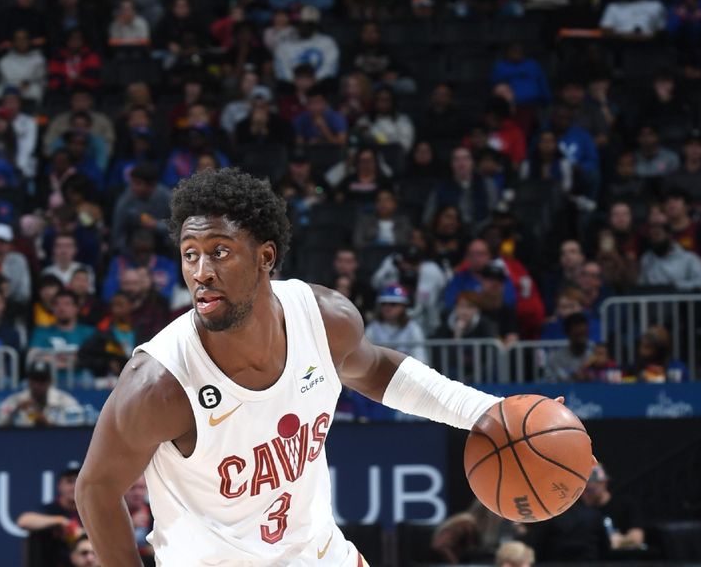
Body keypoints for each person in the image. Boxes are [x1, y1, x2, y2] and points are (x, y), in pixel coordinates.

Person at [75, 168, 510, 565]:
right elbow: (95, 488)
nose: (201, 272)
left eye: (220, 251)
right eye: (190, 255)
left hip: (317, 554)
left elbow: (378, 370)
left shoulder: (323, 318)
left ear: (266, 257)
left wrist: (486, 411)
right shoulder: (159, 384)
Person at [17, 461, 84, 567]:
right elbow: (23, 521)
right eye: (69, 482)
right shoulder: (49, 510)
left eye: (78, 481)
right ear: (60, 486)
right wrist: (60, 521)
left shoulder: (89, 512)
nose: (74, 486)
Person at [0, 362, 83, 427]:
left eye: (42, 380)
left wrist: (47, 423)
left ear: (50, 381)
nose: (37, 385)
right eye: (34, 380)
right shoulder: (16, 400)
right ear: (29, 381)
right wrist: (15, 411)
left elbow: (77, 426)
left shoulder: (65, 400)